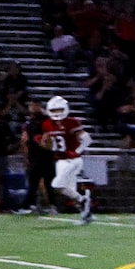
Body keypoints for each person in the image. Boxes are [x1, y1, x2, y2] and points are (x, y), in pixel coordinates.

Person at [40, 95, 94, 225]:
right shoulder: (47, 124)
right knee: (69, 190)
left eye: (59, 110)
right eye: (54, 111)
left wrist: (76, 152)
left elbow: (87, 139)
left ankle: (83, 200)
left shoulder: (71, 122)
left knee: (57, 185)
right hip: (60, 160)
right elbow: (49, 145)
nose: (57, 114)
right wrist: (44, 143)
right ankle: (86, 215)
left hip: (72, 160)